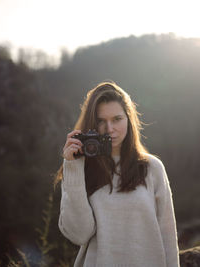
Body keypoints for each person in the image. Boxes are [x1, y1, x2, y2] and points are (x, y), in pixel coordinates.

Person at [56, 81, 180, 267]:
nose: (110, 129)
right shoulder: (80, 170)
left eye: (116, 119)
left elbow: (168, 237)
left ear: (129, 120)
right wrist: (72, 167)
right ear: (92, 124)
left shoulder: (152, 168)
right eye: (101, 121)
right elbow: (79, 234)